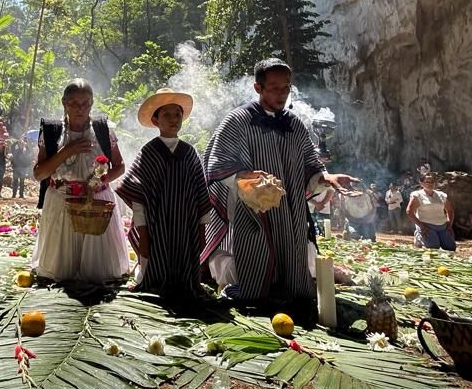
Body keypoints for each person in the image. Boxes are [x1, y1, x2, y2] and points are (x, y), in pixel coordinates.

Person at [201, 58, 358, 304]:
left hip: (290, 212)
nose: (281, 94)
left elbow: (310, 166)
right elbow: (217, 164)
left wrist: (326, 178)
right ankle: (254, 293)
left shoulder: (294, 124)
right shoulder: (237, 120)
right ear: (258, 88)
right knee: (255, 267)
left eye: (286, 87)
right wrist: (245, 178)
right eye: (274, 87)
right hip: (253, 211)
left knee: (293, 270)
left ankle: (293, 293)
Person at [116, 89, 210, 302]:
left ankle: (185, 286)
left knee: (186, 280)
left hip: (186, 227)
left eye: (177, 114)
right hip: (156, 226)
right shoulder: (148, 153)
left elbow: (201, 194)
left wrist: (202, 231)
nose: (173, 119)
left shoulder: (191, 153)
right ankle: (147, 281)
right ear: (155, 120)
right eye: (166, 115)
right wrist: (143, 234)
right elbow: (138, 199)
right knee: (152, 271)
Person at [32, 79, 128, 284]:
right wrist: (68, 150)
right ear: (64, 103)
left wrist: (99, 182)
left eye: (86, 103)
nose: (80, 108)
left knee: (98, 275)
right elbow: (40, 174)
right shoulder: (52, 132)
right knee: (60, 273)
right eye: (74, 103)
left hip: (96, 205)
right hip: (62, 201)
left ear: (92, 104)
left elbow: (120, 166)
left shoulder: (103, 130)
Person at [408, 173, 456, 250]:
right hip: (426, 226)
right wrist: (421, 226)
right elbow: (409, 212)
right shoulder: (417, 195)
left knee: (450, 248)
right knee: (433, 247)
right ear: (422, 183)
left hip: (442, 226)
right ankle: (419, 237)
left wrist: (449, 225)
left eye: (432, 182)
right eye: (427, 182)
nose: (430, 184)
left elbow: (450, 211)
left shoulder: (441, 195)